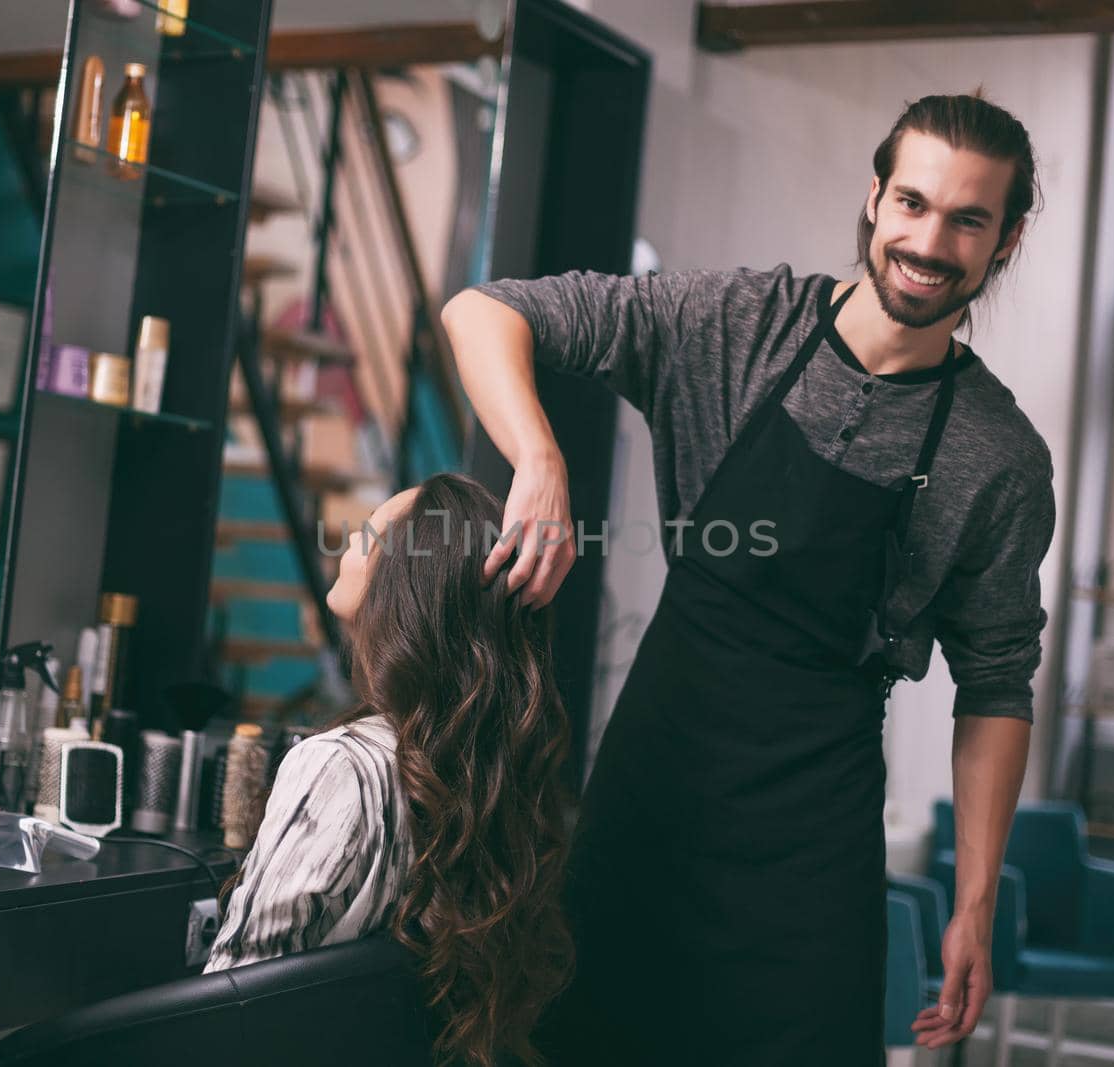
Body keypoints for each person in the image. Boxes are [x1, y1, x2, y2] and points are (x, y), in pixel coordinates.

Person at [440, 93, 1058, 1063]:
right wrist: (538, 458)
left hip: (810, 846)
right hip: (651, 790)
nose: (928, 241)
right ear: (874, 197)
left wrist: (974, 902)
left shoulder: (998, 457)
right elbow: (483, 311)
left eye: (967, 219)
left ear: (1005, 240)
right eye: (912, 203)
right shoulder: (734, 323)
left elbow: (995, 684)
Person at [203, 472, 575, 1067]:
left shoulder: (338, 767)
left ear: (405, 584)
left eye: (368, 534)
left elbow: (233, 998)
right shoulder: (484, 782)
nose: (348, 543)